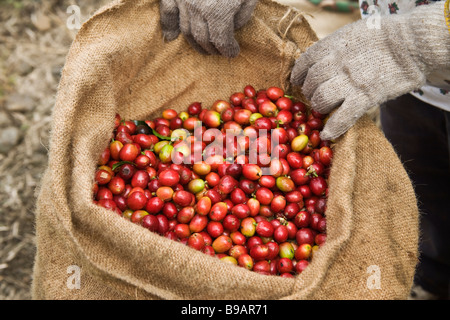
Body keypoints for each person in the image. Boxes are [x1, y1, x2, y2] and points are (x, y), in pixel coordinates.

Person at [159, 0, 450, 299]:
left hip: (413, 46)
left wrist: (418, 40)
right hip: (408, 79)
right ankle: (432, 280)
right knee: (426, 193)